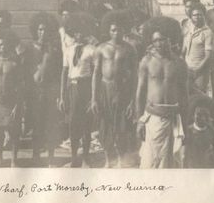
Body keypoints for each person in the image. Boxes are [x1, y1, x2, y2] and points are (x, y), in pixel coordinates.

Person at [135, 18, 188, 168]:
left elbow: (184, 97)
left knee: (171, 164)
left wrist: (184, 123)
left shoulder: (180, 64)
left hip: (172, 120)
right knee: (150, 163)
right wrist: (139, 121)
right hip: (152, 119)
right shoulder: (146, 62)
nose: (158, 44)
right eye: (155, 40)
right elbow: (139, 93)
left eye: (162, 40)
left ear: (170, 39)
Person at [90, 10, 137, 168]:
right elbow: (96, 74)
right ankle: (108, 159)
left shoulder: (130, 49)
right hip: (105, 90)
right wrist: (94, 98)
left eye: (119, 29)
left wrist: (132, 101)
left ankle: (120, 159)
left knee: (121, 126)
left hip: (122, 91)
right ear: (108, 31)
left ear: (124, 30)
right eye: (113, 30)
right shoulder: (101, 49)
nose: (116, 33)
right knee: (105, 126)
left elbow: (135, 76)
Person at [58, 12, 96, 167]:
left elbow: (95, 74)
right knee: (73, 123)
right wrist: (62, 96)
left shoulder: (92, 49)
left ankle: (86, 157)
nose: (78, 35)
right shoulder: (68, 50)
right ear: (72, 32)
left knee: (87, 124)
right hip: (72, 88)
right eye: (76, 31)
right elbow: (64, 73)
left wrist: (94, 97)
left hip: (86, 87)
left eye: (81, 31)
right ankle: (74, 157)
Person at [29, 12, 62, 167]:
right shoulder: (30, 48)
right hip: (35, 92)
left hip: (50, 90)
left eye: (45, 30)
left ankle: (50, 158)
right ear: (36, 30)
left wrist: (58, 93)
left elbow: (58, 71)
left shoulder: (55, 50)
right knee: (36, 124)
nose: (42, 32)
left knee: (50, 124)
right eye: (40, 29)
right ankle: (36, 157)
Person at [0, 31, 24, 167]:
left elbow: (20, 85)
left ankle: (14, 161)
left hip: (10, 102)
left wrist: (17, 105)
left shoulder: (15, 63)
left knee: (14, 133)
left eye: (5, 44)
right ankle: (0, 160)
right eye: (0, 44)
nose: (2, 47)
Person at [182, 2, 214, 93]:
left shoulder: (208, 33)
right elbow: (183, 51)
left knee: (200, 96)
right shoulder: (188, 31)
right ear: (191, 17)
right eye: (195, 15)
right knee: (186, 96)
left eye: (200, 15)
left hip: (201, 71)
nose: (197, 17)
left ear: (204, 15)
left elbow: (208, 56)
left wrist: (197, 69)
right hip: (188, 69)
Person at [183, 103, 214, 168]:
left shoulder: (211, 130)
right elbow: (184, 155)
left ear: (210, 117)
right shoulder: (188, 131)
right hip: (192, 167)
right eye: (199, 115)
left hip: (207, 167)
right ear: (193, 116)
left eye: (206, 115)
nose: (203, 118)